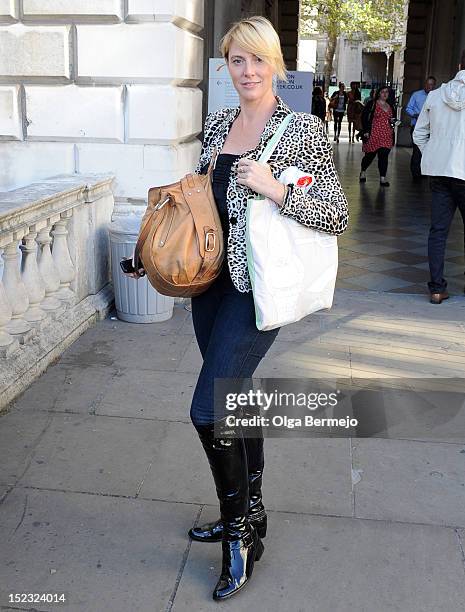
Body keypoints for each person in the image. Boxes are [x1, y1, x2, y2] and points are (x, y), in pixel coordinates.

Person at [123, 15, 347, 602]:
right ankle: (251, 511)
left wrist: (276, 186)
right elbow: (201, 205)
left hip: (255, 291)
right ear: (228, 67)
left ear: (276, 65)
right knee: (235, 401)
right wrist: (153, 249)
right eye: (237, 61)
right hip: (209, 287)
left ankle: (241, 536)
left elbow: (336, 212)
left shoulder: (301, 128)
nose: (247, 72)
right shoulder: (219, 123)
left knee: (208, 409)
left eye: (258, 60)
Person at [413, 52, 465, 305]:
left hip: (440, 174)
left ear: (458, 66)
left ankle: (436, 288)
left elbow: (418, 135)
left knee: (438, 232)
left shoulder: (434, 96)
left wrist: (434, 155)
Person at [359, 85, 397, 186]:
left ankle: (382, 179)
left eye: (387, 92)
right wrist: (366, 130)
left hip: (386, 134)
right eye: (383, 92)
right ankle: (363, 171)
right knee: (369, 156)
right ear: (379, 93)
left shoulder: (391, 106)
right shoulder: (372, 104)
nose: (385, 94)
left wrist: (394, 122)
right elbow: (364, 117)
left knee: (383, 156)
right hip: (373, 134)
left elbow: (393, 119)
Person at [406, 76, 437, 180]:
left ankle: (424, 171)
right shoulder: (416, 95)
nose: (429, 86)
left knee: (428, 151)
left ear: (434, 85)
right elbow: (408, 108)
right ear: (425, 84)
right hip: (417, 126)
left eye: (432, 84)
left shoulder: (437, 96)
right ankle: (415, 173)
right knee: (417, 150)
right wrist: (415, 115)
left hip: (432, 128)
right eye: (428, 84)